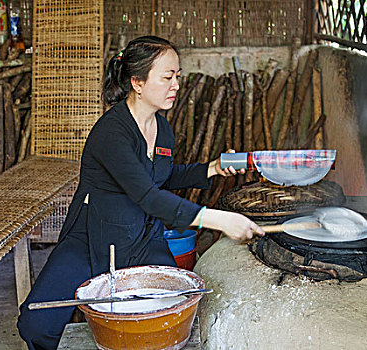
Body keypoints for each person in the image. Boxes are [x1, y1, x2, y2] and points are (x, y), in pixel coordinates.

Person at [17, 35, 264, 350]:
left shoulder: (162, 128)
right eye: (166, 77)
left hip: (144, 236)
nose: (175, 84)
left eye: (177, 76)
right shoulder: (112, 134)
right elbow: (148, 195)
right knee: (36, 325)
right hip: (94, 237)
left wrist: (210, 169)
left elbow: (160, 176)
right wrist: (217, 219)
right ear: (137, 82)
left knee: (172, 314)